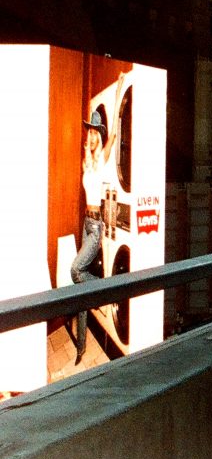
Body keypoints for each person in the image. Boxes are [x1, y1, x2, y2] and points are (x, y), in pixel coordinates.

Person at [70, 76, 124, 364]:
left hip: (97, 225)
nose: (91, 137)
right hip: (85, 222)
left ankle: (102, 288)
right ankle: (80, 348)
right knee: (80, 288)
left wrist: (118, 90)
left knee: (76, 270)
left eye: (94, 132)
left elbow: (114, 131)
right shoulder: (85, 161)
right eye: (88, 132)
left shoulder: (102, 156)